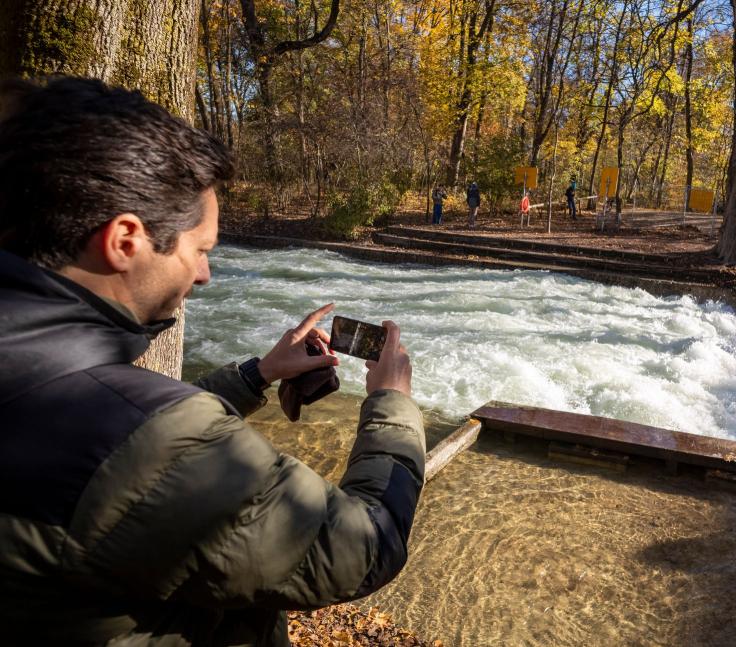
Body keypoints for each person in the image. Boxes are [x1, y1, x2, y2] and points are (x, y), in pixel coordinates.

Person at [0, 77, 424, 646]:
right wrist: (391, 403)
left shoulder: (38, 373)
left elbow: (119, 451)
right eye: (200, 250)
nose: (204, 275)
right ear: (125, 239)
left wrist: (260, 374)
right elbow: (363, 548)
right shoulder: (147, 442)